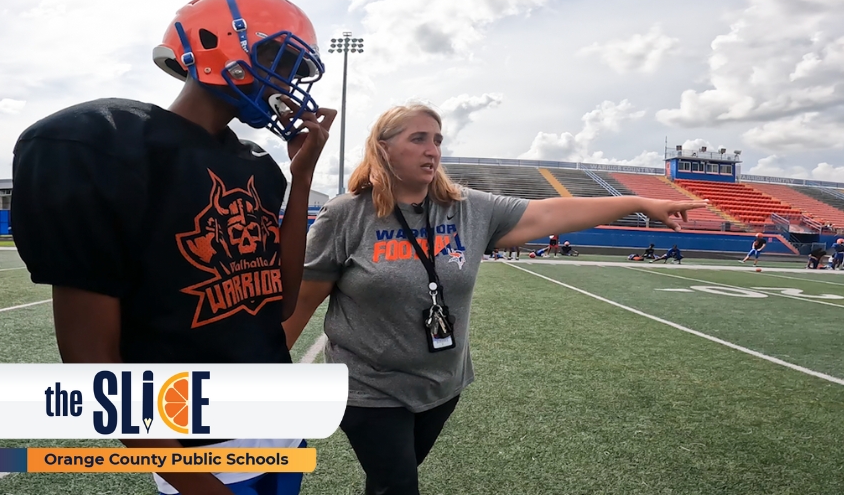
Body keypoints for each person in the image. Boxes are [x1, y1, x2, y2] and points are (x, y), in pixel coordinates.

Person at [281, 103, 707, 495]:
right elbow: (303, 301)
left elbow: (548, 213)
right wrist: (266, 368)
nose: (433, 150)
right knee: (397, 486)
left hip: (442, 386)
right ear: (383, 148)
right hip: (368, 387)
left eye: (438, 140)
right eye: (418, 139)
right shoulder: (346, 214)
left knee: (390, 481)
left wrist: (639, 202)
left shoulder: (467, 208)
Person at [9, 0, 335, 494]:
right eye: (278, 60)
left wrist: (302, 177)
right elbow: (93, 363)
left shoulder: (255, 165)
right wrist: (198, 484)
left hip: (281, 430)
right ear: (214, 43)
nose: (288, 84)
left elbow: (282, 302)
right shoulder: (106, 144)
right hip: (205, 455)